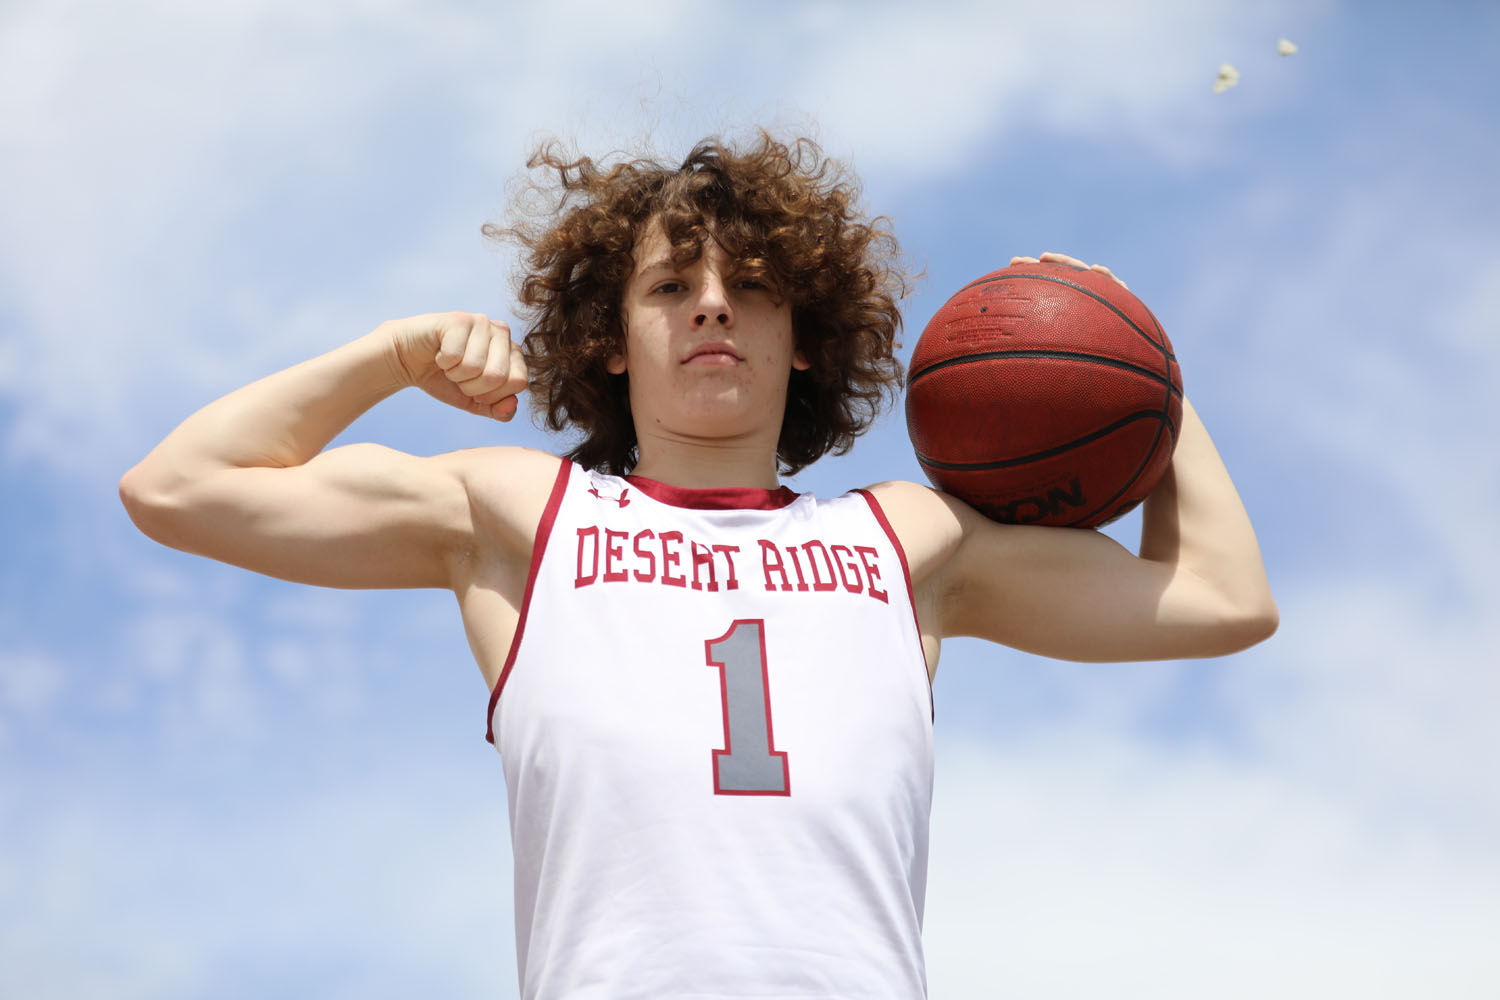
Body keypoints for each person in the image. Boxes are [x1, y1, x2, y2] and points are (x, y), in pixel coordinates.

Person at [119, 133, 1277, 998]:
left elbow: (1224, 598)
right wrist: (391, 354)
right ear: (611, 344)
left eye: (752, 286)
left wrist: (1144, 374)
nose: (712, 305)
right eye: (670, 287)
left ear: (804, 332)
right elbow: (176, 487)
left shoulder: (906, 538)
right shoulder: (522, 513)